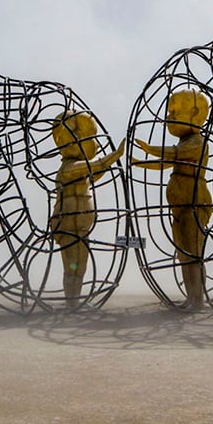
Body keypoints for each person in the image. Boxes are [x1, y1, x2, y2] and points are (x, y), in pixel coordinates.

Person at [133, 89, 212, 310]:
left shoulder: (197, 142)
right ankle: (191, 298)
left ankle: (198, 300)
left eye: (175, 112)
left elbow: (172, 155)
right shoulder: (183, 145)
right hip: (179, 207)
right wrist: (140, 162)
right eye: (169, 112)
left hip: (194, 204)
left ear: (195, 113)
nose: (169, 117)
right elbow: (165, 163)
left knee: (193, 254)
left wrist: (150, 148)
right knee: (183, 255)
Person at [49, 111, 125, 308]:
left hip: (81, 225)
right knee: (71, 265)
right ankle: (71, 303)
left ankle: (74, 300)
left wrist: (106, 165)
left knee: (80, 265)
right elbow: (94, 165)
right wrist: (115, 156)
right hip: (67, 223)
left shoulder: (78, 171)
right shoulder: (69, 167)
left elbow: (91, 176)